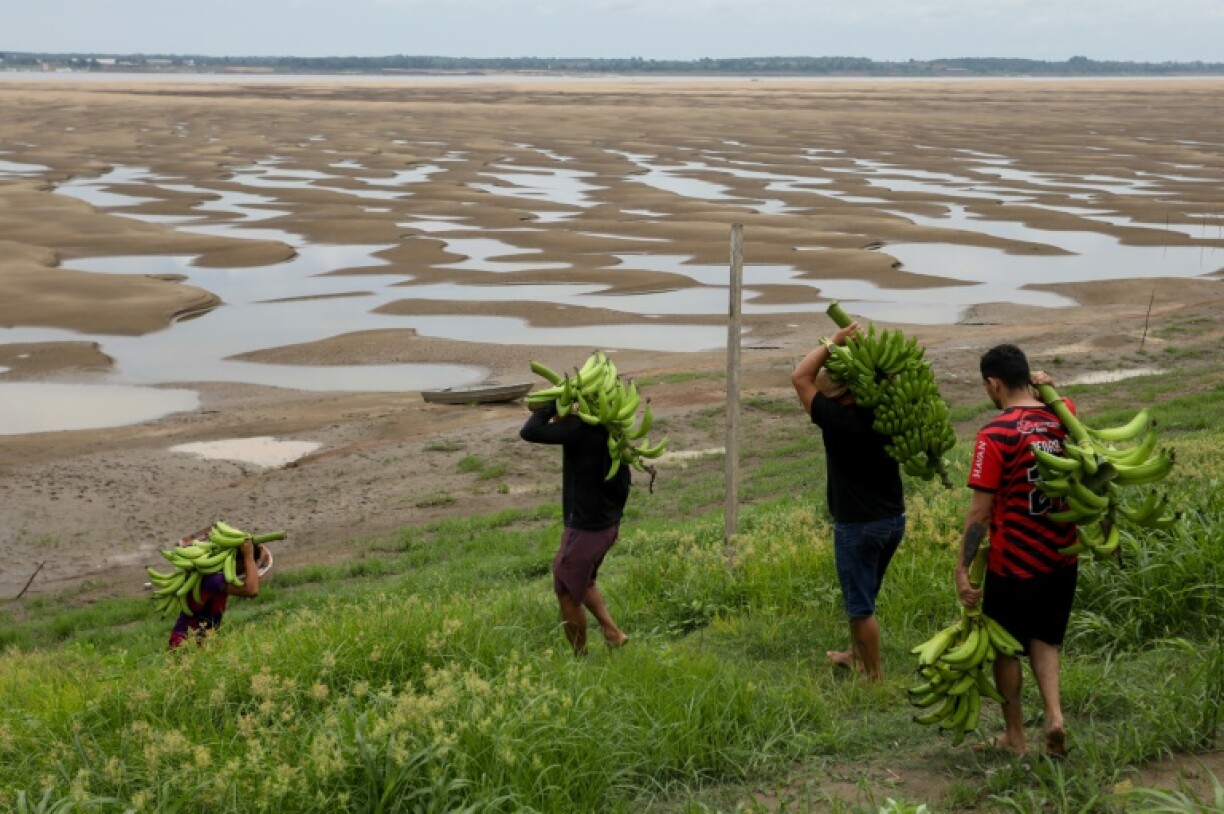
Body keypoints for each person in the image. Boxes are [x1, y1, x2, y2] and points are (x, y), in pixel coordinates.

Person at [956, 343, 1078, 758]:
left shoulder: (994, 435)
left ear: (993, 383)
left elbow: (980, 512)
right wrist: (1049, 389)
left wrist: (962, 568)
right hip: (1062, 555)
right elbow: (1062, 408)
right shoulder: (1064, 416)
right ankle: (1055, 717)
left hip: (1014, 563)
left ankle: (1015, 737)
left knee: (1005, 648)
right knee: (1046, 640)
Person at [791, 321, 906, 682]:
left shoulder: (837, 420)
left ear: (841, 393)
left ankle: (873, 677)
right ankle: (854, 654)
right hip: (893, 520)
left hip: (859, 525)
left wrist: (834, 342)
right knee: (865, 592)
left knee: (860, 606)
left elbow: (800, 377)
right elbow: (891, 380)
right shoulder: (888, 411)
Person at [520, 399, 631, 655]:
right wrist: (615, 521)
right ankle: (613, 633)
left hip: (586, 529)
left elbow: (530, 430)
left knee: (565, 589)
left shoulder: (579, 429)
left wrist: (553, 404)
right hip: (605, 525)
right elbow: (624, 481)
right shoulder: (612, 430)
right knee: (583, 580)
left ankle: (580, 660)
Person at [168, 539, 266, 650]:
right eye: (246, 566)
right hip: (185, 643)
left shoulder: (215, 574)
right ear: (240, 562)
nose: (246, 570)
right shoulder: (214, 579)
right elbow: (252, 591)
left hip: (204, 641)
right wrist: (249, 557)